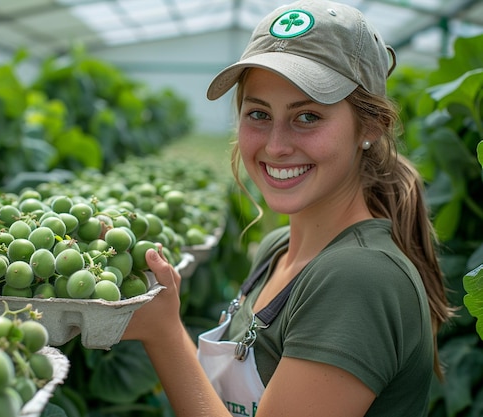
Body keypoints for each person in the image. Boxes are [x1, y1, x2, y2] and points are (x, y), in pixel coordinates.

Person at [122, 0, 452, 416]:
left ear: (370, 128)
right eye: (258, 113)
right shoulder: (278, 249)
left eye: (308, 117)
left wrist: (165, 334)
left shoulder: (359, 279)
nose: (276, 145)